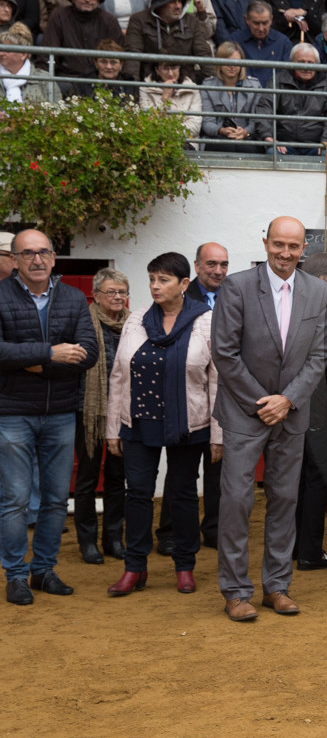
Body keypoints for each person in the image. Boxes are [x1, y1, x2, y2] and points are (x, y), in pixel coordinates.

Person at [211, 216, 327, 621]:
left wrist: (289, 400)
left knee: (285, 499)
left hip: (292, 414)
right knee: (237, 501)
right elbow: (224, 353)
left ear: (303, 249)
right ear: (265, 243)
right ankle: (235, 590)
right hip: (246, 413)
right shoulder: (238, 286)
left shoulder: (316, 291)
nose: (285, 253)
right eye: (278, 244)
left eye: (293, 247)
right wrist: (265, 402)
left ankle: (277, 586)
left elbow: (319, 356)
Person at [104, 252, 220, 597]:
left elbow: (217, 380)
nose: (155, 286)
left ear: (184, 284)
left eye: (164, 280)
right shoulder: (137, 319)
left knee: (182, 494)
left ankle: (185, 565)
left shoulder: (206, 320)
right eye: (152, 278)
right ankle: (134, 567)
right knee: (138, 493)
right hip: (139, 421)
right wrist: (113, 427)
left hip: (190, 422)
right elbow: (119, 374)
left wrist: (219, 432)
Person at [1, 229, 98, 606]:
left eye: (43, 253)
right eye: (27, 254)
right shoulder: (1, 296)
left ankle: (43, 569)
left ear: (54, 258)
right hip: (12, 414)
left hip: (60, 412)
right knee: (14, 500)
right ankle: (15, 575)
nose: (36, 260)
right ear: (14, 260)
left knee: (57, 499)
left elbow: (88, 353)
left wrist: (35, 363)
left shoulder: (73, 298)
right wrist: (48, 354)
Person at [292, 251, 327, 572]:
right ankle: (311, 552)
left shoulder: (296, 310)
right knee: (316, 484)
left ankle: (299, 545)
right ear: (324, 279)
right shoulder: (323, 315)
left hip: (296, 411)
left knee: (299, 483)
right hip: (320, 414)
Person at [73, 268, 131, 566]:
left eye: (122, 291)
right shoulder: (82, 322)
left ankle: (113, 538)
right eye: (112, 292)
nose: (118, 297)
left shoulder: (136, 324)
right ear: (96, 295)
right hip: (90, 412)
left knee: (117, 477)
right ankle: (87, 542)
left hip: (125, 414)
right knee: (86, 477)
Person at [184, 243, 229, 547]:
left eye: (223, 265)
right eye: (211, 264)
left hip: (227, 395)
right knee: (183, 471)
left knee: (219, 470)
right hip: (190, 395)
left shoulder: (234, 297)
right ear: (197, 265)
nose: (218, 270)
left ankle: (213, 530)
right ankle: (174, 534)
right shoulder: (182, 299)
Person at [124, 0, 214, 81]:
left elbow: (203, 54)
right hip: (149, 84)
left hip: (184, 84)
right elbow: (132, 56)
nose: (178, 6)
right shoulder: (139, 20)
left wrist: (211, 85)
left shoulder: (191, 22)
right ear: (159, 4)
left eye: (180, 1)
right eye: (173, 2)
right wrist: (132, 89)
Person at [268, 42, 327, 156]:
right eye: (301, 62)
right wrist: (270, 138)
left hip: (317, 144)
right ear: (292, 63)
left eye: (310, 62)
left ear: (317, 64)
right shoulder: (278, 80)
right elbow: (265, 108)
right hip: (283, 144)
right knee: (272, 153)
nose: (306, 67)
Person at [42, 0, 124, 85]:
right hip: (66, 78)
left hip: (100, 79)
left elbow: (118, 57)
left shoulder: (109, 20)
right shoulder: (59, 16)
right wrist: (46, 81)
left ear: (98, 1)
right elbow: (47, 54)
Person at [200, 41, 272, 153]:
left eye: (236, 62)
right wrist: (222, 130)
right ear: (219, 62)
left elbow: (256, 120)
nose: (232, 66)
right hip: (217, 138)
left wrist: (245, 132)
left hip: (248, 138)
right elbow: (207, 122)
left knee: (246, 148)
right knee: (225, 146)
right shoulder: (208, 86)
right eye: (227, 61)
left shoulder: (254, 86)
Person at [234, 0, 293, 87]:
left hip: (274, 95)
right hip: (244, 95)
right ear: (247, 20)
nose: (261, 28)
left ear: (271, 19)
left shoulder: (283, 42)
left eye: (265, 23)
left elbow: (288, 76)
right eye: (256, 23)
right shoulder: (235, 41)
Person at [140, 60, 203, 141]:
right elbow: (148, 123)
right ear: (157, 70)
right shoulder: (145, 88)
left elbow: (195, 126)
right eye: (165, 69)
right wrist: (165, 98)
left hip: (186, 141)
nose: (170, 73)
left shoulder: (192, 88)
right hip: (156, 142)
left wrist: (169, 134)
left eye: (174, 68)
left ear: (179, 68)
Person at [0, 27, 61, 103]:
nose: (1, 54)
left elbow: (58, 108)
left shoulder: (44, 79)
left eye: (7, 50)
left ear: (23, 54)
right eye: (1, 49)